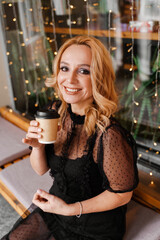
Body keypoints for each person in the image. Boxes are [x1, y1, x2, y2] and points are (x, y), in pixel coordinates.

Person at [1, 35, 139, 240]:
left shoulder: (109, 134)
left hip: (95, 224)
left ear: (98, 78)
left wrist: (69, 209)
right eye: (64, 68)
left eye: (83, 71)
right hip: (57, 205)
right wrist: (38, 147)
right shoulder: (55, 112)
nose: (70, 79)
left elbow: (122, 195)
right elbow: (40, 169)